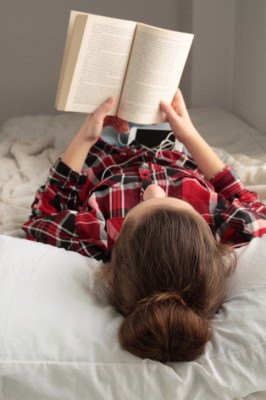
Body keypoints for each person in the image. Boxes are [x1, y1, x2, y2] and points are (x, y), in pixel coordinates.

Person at [22, 89, 266, 363]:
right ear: (210, 236)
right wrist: (189, 134)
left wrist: (85, 137)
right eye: (175, 200)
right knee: (156, 97)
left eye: (140, 206)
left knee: (114, 96)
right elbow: (247, 201)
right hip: (172, 145)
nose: (154, 189)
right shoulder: (221, 224)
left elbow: (42, 214)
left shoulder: (99, 232)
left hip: (106, 150)